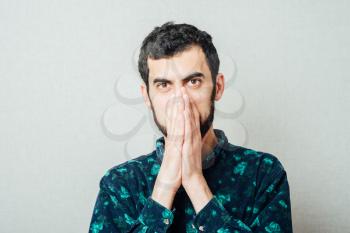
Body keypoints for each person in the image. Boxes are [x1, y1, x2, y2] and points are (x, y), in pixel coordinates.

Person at [88, 21, 293, 233]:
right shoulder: (120, 183)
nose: (180, 99)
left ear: (218, 87)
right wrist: (164, 187)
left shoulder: (263, 173)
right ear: (147, 97)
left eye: (193, 82)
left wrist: (195, 182)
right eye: (164, 85)